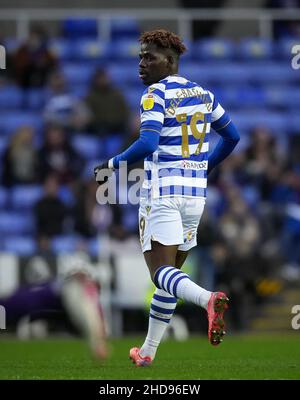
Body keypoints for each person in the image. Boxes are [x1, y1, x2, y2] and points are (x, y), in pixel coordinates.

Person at [94, 29, 240, 366]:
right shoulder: (204, 95)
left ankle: (207, 299)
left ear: (170, 61)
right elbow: (232, 136)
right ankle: (147, 352)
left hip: (163, 192)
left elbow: (147, 144)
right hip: (194, 197)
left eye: (149, 57)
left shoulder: (154, 94)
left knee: (160, 272)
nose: (141, 64)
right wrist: (204, 167)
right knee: (172, 277)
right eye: (140, 57)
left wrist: (110, 165)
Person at [0, 265, 108, 360]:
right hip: (21, 304)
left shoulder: (60, 285)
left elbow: (91, 315)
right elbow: (87, 315)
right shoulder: (74, 288)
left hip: (26, 304)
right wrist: (96, 342)